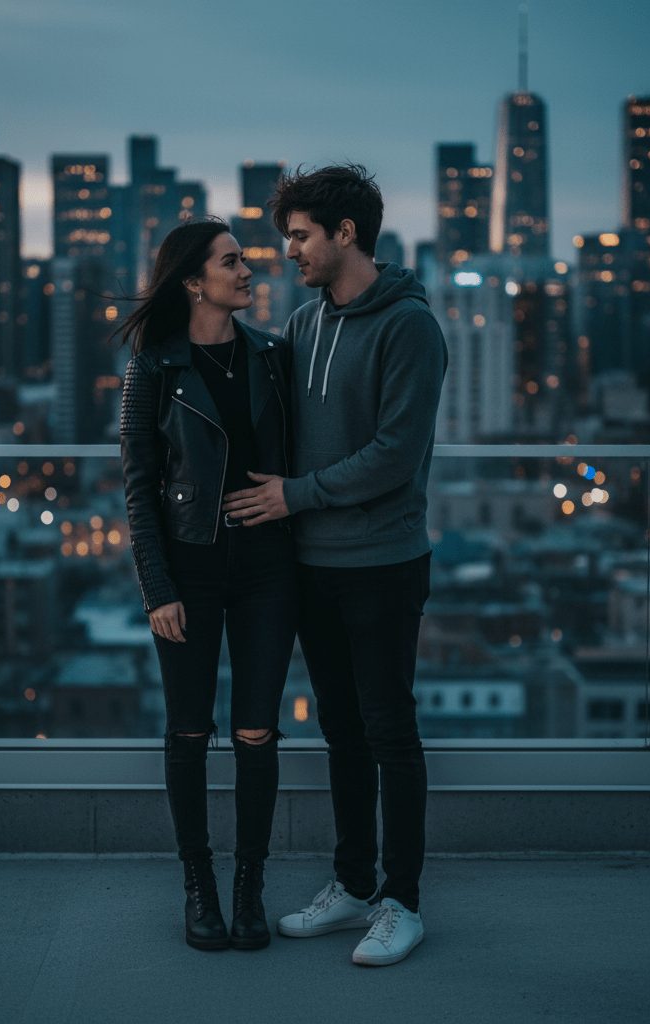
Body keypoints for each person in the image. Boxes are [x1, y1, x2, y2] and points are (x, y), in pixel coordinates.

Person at [222, 165, 447, 967]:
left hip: (384, 564)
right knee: (343, 736)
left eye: (302, 235)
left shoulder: (410, 326)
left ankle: (403, 902)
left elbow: (395, 455)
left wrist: (296, 496)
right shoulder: (307, 325)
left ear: (346, 233)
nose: (289, 252)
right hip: (314, 564)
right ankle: (352, 886)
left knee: (391, 733)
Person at [119, 218, 297, 952]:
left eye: (245, 260)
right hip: (188, 567)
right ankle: (199, 885)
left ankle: (248, 886)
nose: (248, 271)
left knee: (256, 731)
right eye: (233, 262)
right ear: (194, 280)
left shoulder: (272, 356)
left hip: (267, 569)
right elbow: (138, 486)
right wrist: (156, 587)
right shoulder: (154, 364)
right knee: (190, 730)